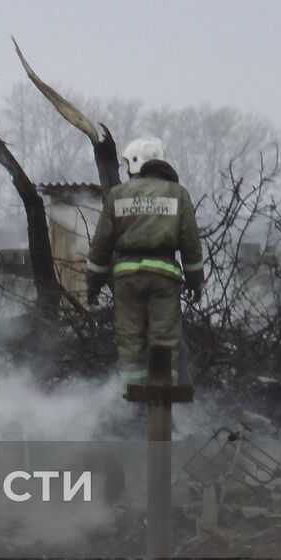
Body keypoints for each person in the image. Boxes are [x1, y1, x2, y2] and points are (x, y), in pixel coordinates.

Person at [85, 137, 204, 383]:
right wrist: (195, 282)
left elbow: (101, 245)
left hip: (126, 279)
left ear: (137, 163)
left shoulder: (118, 194)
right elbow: (190, 243)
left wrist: (93, 284)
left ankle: (133, 398)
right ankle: (161, 398)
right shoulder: (178, 194)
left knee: (130, 337)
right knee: (164, 338)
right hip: (164, 277)